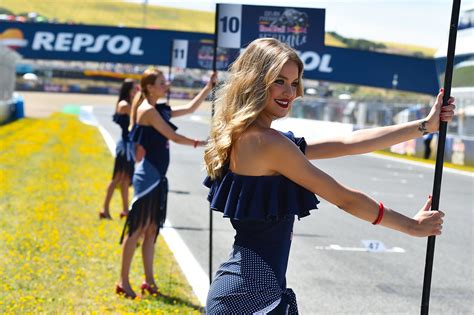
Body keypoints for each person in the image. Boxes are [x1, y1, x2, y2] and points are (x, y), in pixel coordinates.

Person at [203, 38, 455, 314]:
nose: (289, 91)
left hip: (245, 288)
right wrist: (411, 226)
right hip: (253, 297)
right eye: (279, 80)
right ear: (255, 80)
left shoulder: (247, 137)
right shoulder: (268, 144)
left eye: (294, 82)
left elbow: (350, 143)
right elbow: (344, 198)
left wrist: (424, 126)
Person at [116, 68, 217, 299]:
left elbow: (191, 108)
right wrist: (203, 143)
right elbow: (172, 136)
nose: (166, 85)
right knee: (137, 229)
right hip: (148, 177)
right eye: (162, 82)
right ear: (149, 87)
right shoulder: (148, 111)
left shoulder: (158, 109)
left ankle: (148, 281)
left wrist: (207, 88)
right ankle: (122, 280)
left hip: (158, 175)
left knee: (151, 230)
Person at [99, 78, 138, 220]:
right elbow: (138, 115)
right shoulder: (125, 105)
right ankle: (105, 208)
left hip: (130, 146)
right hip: (125, 147)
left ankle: (125, 210)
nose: (136, 91)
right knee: (116, 179)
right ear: (128, 90)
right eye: (134, 89)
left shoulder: (129, 103)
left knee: (126, 180)